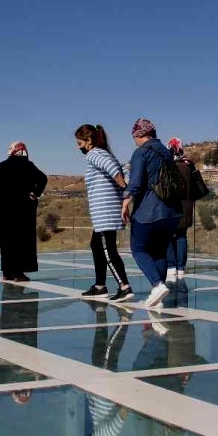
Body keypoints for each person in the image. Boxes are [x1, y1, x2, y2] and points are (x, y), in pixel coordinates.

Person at [122, 119, 182, 309]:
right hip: (172, 211)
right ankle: (159, 294)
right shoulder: (166, 152)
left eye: (134, 137)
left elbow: (136, 182)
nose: (134, 140)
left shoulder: (141, 152)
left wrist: (125, 201)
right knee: (159, 251)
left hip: (149, 211)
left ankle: (157, 285)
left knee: (139, 249)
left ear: (139, 134)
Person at [74, 124, 135, 302]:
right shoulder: (106, 153)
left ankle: (124, 286)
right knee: (96, 245)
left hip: (105, 212)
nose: (78, 147)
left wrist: (125, 188)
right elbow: (123, 169)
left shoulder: (95, 154)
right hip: (106, 211)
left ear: (89, 141)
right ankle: (100, 286)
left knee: (108, 250)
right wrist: (125, 190)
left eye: (79, 143)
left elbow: (116, 171)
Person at [0, 141, 47, 283]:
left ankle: (7, 272)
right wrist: (35, 193)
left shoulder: (2, 166)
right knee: (22, 241)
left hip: (6, 209)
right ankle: (18, 273)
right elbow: (43, 178)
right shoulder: (28, 165)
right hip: (24, 210)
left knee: (8, 240)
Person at [165, 137, 206, 282]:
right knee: (182, 236)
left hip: (170, 206)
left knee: (168, 236)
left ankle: (171, 266)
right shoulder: (188, 165)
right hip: (186, 206)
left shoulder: (168, 165)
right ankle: (181, 268)